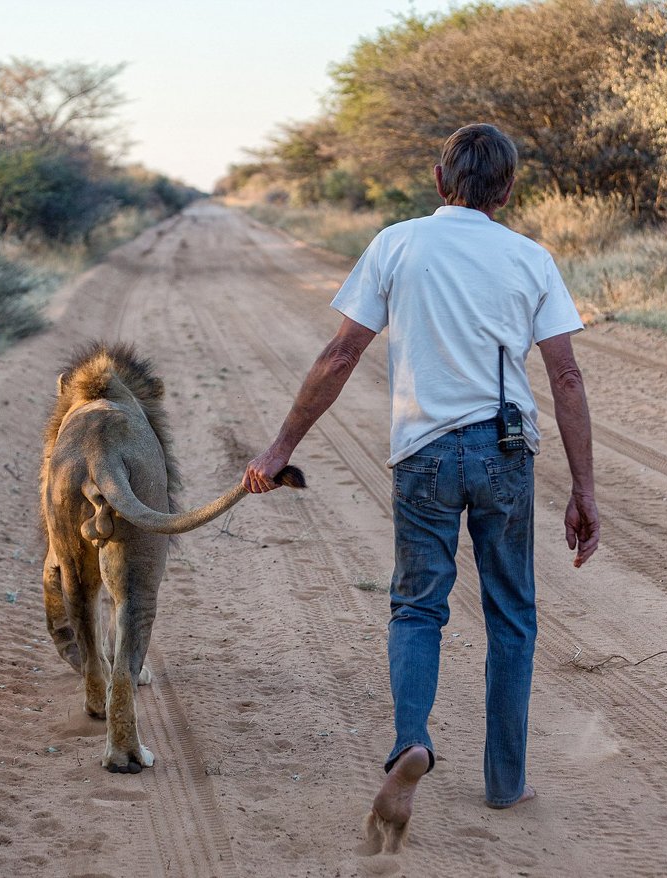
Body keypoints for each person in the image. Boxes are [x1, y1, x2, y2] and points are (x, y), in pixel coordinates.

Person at [242, 123, 599, 851]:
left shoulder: (397, 243)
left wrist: (282, 446)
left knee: (415, 610)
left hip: (424, 455)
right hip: (505, 454)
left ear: (440, 180)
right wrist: (584, 491)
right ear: (508, 189)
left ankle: (412, 741)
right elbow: (565, 375)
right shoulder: (531, 258)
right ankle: (506, 782)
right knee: (512, 617)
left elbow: (342, 353)